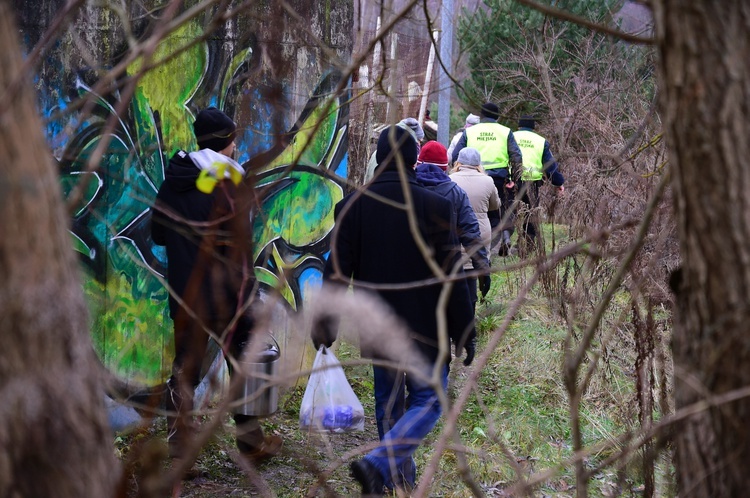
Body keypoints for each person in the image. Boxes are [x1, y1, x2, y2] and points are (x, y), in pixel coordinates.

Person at [313, 126, 476, 496]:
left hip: (378, 323)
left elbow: (336, 272)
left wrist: (325, 323)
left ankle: (388, 479)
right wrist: (464, 327)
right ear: (412, 160)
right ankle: (379, 467)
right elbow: (452, 274)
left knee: (388, 404)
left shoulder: (352, 207)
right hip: (425, 325)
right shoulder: (436, 206)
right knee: (430, 401)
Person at [150, 107, 282, 474]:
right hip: (226, 294)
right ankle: (251, 442)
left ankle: (179, 454)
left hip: (185, 293)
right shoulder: (230, 184)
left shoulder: (174, 179)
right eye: (234, 139)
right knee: (243, 361)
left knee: (184, 371)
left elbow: (157, 233)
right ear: (227, 142)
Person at [414, 140, 492, 308]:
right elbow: (470, 233)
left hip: (412, 268)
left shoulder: (405, 189)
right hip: (448, 265)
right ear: (445, 166)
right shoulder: (455, 193)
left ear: (418, 163)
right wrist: (482, 268)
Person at [451, 102, 523, 256]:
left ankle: (475, 247)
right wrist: (515, 180)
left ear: (481, 115)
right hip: (499, 178)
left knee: (471, 212)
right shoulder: (505, 132)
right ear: (497, 116)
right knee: (497, 213)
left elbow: (455, 155)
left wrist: (457, 171)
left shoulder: (470, 132)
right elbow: (516, 157)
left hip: (473, 176)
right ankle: (500, 239)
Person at [450, 147, 502, 287]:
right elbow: (495, 205)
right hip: (480, 230)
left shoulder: (450, 180)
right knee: (476, 262)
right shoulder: (488, 181)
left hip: (457, 229)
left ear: (458, 162)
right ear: (478, 164)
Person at [514, 116, 565, 253]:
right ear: (533, 128)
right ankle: (528, 245)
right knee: (530, 214)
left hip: (510, 181)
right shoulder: (541, 141)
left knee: (508, 211)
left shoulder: (511, 136)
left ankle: (504, 241)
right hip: (531, 183)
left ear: (519, 127)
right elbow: (550, 165)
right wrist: (558, 182)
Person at [364, 117, 425, 183]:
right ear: (413, 139)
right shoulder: (405, 156)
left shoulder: (379, 152)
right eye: (419, 141)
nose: (419, 145)